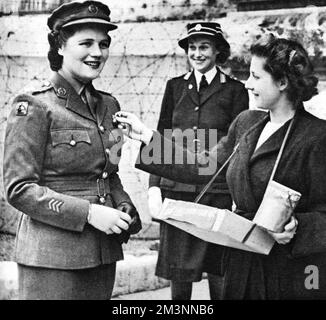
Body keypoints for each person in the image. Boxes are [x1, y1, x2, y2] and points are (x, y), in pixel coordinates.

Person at [115, 35, 326, 299]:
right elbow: (203, 165)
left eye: (256, 77)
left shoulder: (317, 136)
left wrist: (298, 226)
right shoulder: (246, 123)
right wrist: (147, 136)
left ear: (282, 82)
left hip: (290, 272)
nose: (247, 85)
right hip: (241, 264)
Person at [3, 0, 141, 300]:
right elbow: (18, 188)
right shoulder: (34, 105)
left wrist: (124, 205)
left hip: (103, 254)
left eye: (103, 44)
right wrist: (89, 213)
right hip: (53, 259)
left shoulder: (109, 106)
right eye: (86, 43)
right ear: (61, 47)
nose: (97, 53)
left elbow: (110, 173)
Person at [147, 22, 248, 300]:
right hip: (176, 187)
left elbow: (240, 142)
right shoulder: (175, 86)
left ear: (218, 51)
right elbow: (162, 134)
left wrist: (239, 191)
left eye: (204, 47)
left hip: (216, 189)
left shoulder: (235, 90)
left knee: (219, 267)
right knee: (178, 268)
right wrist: (154, 186)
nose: (197, 53)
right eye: (192, 47)